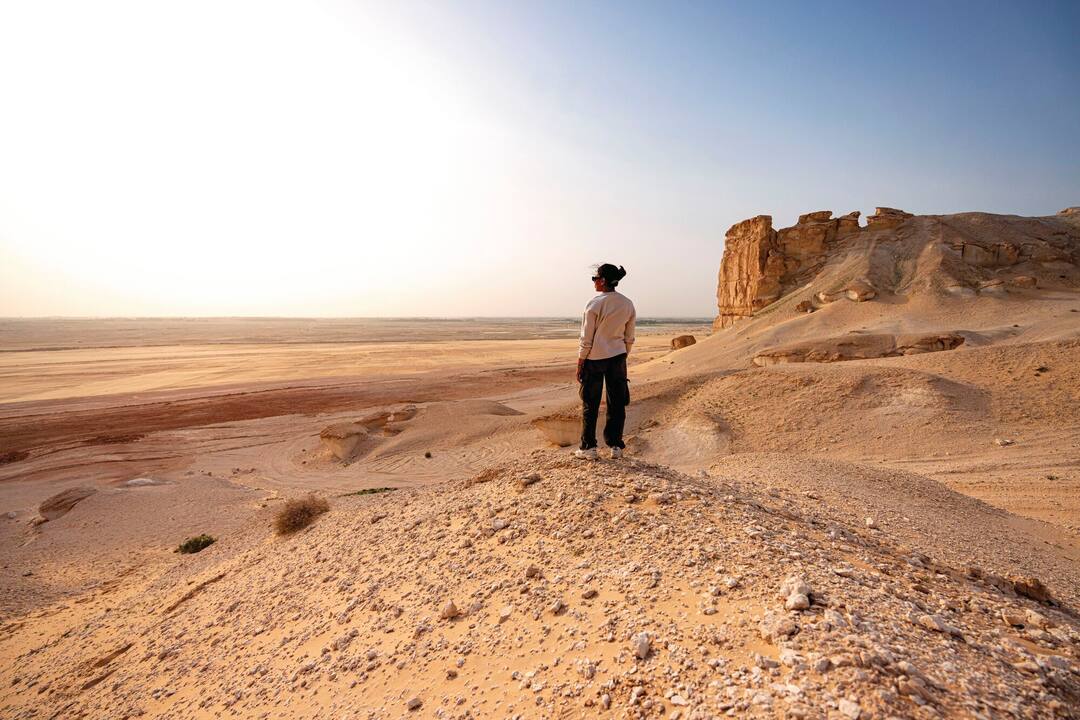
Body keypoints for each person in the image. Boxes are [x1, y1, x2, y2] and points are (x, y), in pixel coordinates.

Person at [574, 263, 636, 460]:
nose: (593, 283)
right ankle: (616, 446)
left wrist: (581, 360)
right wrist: (623, 354)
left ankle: (588, 448)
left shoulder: (593, 304)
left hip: (594, 358)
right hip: (618, 357)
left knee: (590, 404)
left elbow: (586, 337)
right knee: (617, 403)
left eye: (595, 279)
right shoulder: (627, 303)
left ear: (602, 281)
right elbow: (630, 335)